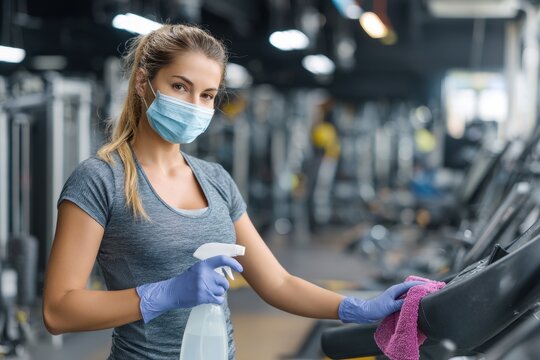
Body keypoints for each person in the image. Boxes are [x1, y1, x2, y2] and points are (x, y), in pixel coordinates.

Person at [42, 24, 420, 359]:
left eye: (207, 95)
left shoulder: (216, 180)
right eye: (180, 87)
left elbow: (277, 282)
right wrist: (162, 294)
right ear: (143, 83)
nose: (194, 105)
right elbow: (59, 311)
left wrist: (357, 308)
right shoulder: (100, 179)